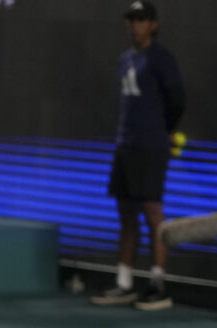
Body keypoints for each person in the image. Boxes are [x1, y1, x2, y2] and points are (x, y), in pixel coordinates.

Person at [91, 1, 184, 311]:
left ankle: (158, 285)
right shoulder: (125, 59)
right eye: (131, 20)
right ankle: (125, 283)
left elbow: (177, 100)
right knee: (126, 212)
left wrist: (162, 130)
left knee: (152, 210)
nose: (135, 25)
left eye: (141, 20)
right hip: (126, 145)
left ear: (153, 25)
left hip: (151, 146)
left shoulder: (162, 59)